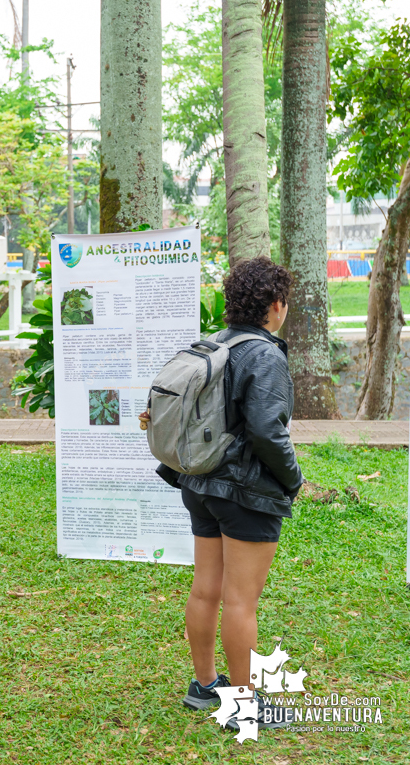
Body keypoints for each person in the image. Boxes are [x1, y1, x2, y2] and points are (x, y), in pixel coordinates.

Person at [157, 257, 302, 730]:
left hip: (198, 483)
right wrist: (294, 479)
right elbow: (267, 430)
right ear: (276, 305)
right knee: (241, 601)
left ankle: (205, 686)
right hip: (246, 492)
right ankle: (245, 706)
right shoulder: (265, 354)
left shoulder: (212, 343)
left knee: (207, 589)